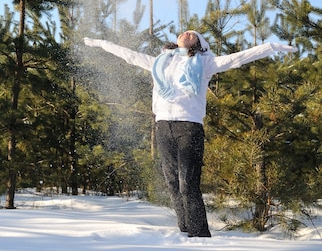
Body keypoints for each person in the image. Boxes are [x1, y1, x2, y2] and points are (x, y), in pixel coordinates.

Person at [83, 31, 297, 238]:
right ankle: (184, 229)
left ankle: (199, 234)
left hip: (189, 126)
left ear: (199, 44)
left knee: (188, 182)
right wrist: (102, 43)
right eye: (183, 33)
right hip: (163, 126)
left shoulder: (205, 63)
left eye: (192, 34)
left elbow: (239, 58)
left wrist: (271, 47)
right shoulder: (161, 61)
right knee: (172, 182)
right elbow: (130, 55)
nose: (186, 34)